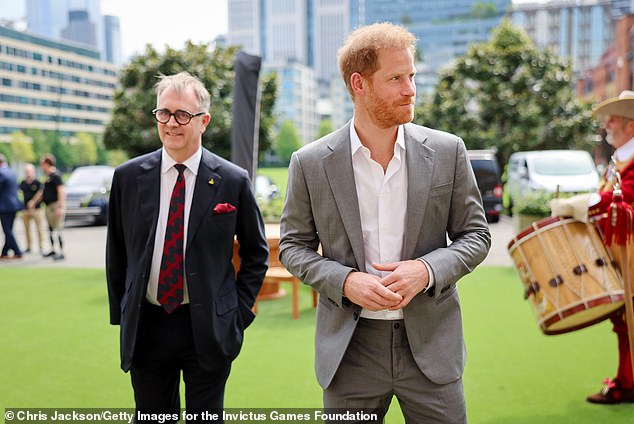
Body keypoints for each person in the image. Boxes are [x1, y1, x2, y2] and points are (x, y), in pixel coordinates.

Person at [279, 23, 491, 423]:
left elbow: (476, 235)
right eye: (395, 78)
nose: (410, 89)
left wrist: (426, 270)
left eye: (411, 76)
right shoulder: (309, 163)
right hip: (350, 351)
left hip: (431, 346)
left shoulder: (448, 151)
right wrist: (345, 281)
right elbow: (293, 246)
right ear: (359, 83)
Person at [106, 71, 268, 420]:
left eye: (183, 114)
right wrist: (122, 310)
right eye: (163, 113)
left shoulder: (233, 181)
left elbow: (256, 253)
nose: (171, 123)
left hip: (208, 325)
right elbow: (117, 251)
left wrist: (236, 312)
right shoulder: (128, 178)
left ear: (203, 121)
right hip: (148, 325)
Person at [553, 90, 634, 404]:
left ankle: (628, 384)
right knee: (625, 319)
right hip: (622, 252)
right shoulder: (622, 157)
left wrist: (580, 203)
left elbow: (622, 196)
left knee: (629, 318)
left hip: (630, 253)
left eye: (613, 119)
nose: (606, 125)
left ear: (630, 125)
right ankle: (627, 379)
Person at [29, 154, 66, 260]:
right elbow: (42, 192)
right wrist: (34, 201)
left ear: (47, 164)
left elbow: (61, 190)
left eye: (42, 164)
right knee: (50, 229)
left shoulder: (56, 176)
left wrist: (60, 206)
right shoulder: (47, 177)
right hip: (48, 205)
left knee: (58, 228)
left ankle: (61, 252)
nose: (41, 167)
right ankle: (53, 250)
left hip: (55, 205)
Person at [0, 153, 22, 259]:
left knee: (7, 231)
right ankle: (4, 252)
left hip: (5, 207)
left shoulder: (1, 173)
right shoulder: (12, 173)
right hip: (14, 205)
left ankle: (18, 251)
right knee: (9, 230)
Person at [19, 163, 45, 255]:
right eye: (26, 171)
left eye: (29, 171)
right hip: (25, 209)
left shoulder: (37, 183)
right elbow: (20, 194)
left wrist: (33, 201)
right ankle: (29, 246)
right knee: (26, 229)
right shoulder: (23, 183)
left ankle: (42, 246)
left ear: (33, 172)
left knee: (39, 229)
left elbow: (41, 193)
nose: (28, 173)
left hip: (36, 209)